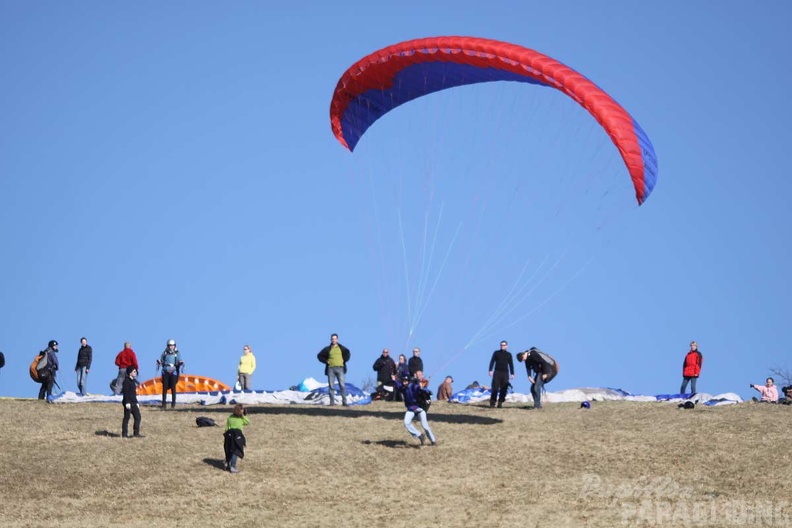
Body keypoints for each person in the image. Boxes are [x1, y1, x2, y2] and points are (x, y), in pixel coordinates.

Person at [400, 372, 437, 446]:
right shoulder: (403, 388)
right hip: (410, 409)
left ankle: (433, 441)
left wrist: (421, 388)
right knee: (406, 422)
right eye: (403, 381)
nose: (404, 383)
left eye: (406, 381)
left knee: (425, 426)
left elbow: (427, 392)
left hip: (419, 408)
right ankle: (420, 435)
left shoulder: (414, 386)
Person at [317, 333, 351, 406]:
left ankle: (344, 402)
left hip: (340, 368)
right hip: (331, 369)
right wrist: (326, 361)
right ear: (331, 340)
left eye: (335, 339)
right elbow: (319, 356)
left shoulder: (341, 348)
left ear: (337, 339)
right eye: (332, 339)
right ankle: (332, 403)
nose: (334, 340)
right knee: (331, 386)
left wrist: (344, 360)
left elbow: (348, 353)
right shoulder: (327, 349)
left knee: (342, 385)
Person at [157, 339, 183, 409]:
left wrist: (180, 362)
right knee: (164, 388)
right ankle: (164, 404)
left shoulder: (177, 353)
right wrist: (159, 362)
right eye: (170, 345)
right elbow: (162, 360)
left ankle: (173, 404)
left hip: (173, 371)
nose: (171, 347)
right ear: (168, 346)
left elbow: (179, 360)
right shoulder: (165, 353)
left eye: (173, 345)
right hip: (165, 371)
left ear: (175, 346)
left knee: (173, 388)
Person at [488, 340, 515, 408]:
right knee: (495, 388)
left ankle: (500, 403)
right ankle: (492, 403)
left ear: (506, 346)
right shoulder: (496, 353)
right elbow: (492, 361)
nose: (502, 346)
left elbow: (511, 364)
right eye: (501, 345)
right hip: (497, 372)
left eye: (504, 345)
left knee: (504, 388)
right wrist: (490, 370)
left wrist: (512, 373)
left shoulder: (509, 354)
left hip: (505, 373)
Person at [224, 403, 250, 474]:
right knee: (235, 451)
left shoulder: (230, 417)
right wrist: (244, 415)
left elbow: (227, 427)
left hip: (229, 435)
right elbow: (247, 422)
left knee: (229, 450)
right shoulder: (241, 418)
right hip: (236, 436)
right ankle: (233, 467)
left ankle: (227, 463)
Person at [121, 366, 143, 438]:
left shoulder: (133, 381)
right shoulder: (126, 382)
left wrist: (136, 402)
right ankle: (124, 434)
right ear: (130, 373)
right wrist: (127, 402)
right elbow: (126, 393)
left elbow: (133, 394)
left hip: (134, 403)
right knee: (127, 418)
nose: (136, 373)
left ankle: (136, 433)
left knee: (138, 417)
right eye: (134, 371)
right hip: (128, 403)